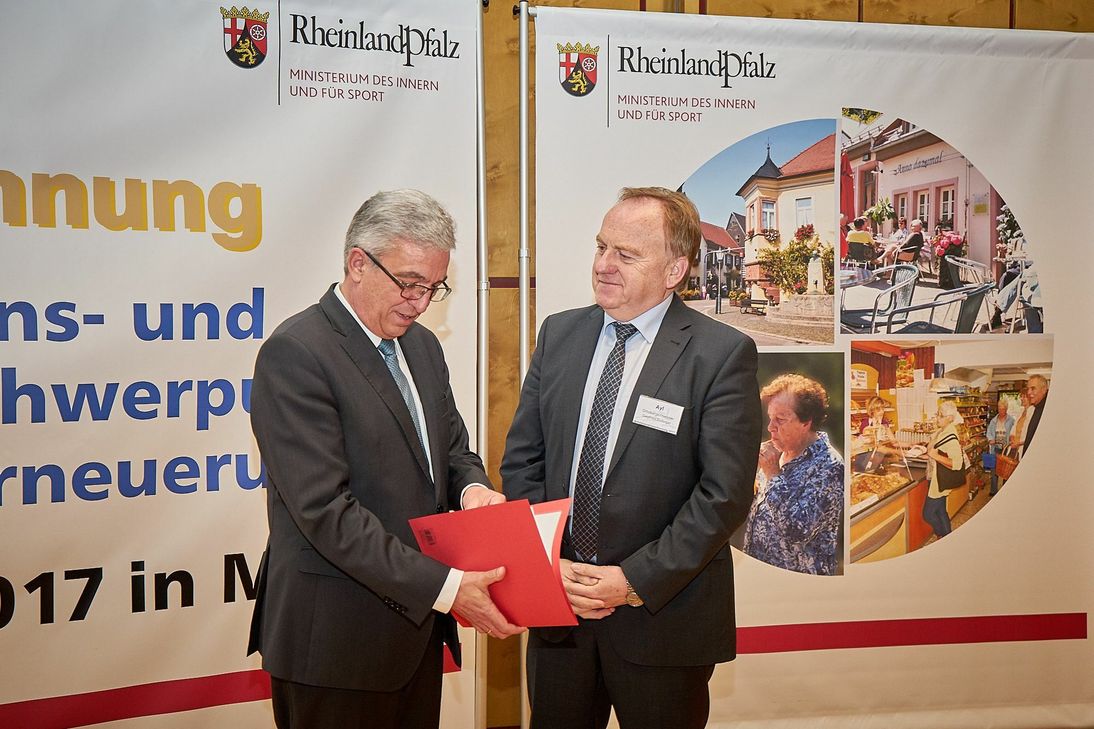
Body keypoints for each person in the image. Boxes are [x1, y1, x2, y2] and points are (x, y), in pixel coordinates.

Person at [247, 189, 523, 729]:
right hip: (334, 644)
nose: (420, 303)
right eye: (409, 283)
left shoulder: (422, 347)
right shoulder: (297, 352)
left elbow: (451, 449)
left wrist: (473, 491)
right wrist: (447, 589)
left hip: (414, 635)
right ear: (358, 263)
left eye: (433, 288)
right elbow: (325, 512)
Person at [501, 187, 762, 729]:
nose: (604, 265)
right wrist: (546, 562)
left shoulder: (720, 354)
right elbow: (524, 460)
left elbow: (724, 494)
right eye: (601, 247)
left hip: (663, 621)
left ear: (674, 271)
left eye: (626, 254)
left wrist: (634, 580)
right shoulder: (559, 334)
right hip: (561, 613)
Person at [742, 374, 845, 576]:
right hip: (760, 573)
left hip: (798, 582)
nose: (770, 427)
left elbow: (797, 530)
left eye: (780, 420)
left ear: (806, 422)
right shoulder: (777, 451)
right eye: (771, 418)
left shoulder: (830, 465)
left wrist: (772, 474)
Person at [924, 400, 964, 539]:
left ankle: (941, 534)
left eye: (941, 416)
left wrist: (935, 456)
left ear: (950, 418)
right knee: (941, 511)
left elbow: (957, 464)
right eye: (938, 414)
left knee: (928, 514)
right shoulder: (943, 431)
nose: (937, 418)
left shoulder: (950, 437)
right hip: (937, 477)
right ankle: (947, 537)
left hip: (939, 481)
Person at [985, 397, 1015, 496]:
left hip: (1006, 449)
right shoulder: (994, 421)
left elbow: (1013, 433)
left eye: (1003, 409)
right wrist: (990, 439)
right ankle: (993, 491)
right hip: (996, 448)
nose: (1001, 411)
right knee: (994, 470)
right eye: (999, 409)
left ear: (1006, 409)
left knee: (1006, 470)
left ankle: (1005, 491)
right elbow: (989, 432)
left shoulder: (1011, 420)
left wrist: (1011, 440)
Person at [1023, 374, 1049, 453]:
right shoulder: (1036, 408)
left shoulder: (1047, 411)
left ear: (1044, 390)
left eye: (1033, 388)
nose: (1029, 392)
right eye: (1028, 389)